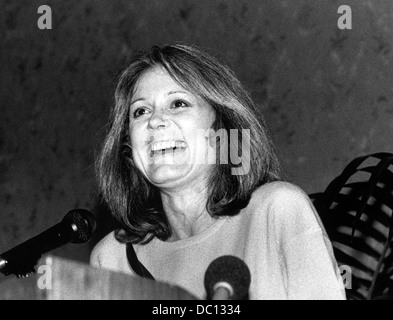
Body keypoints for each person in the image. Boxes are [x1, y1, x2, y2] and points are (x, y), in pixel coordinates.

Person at [90, 44, 346, 300]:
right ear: (128, 146)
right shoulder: (112, 259)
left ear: (222, 128)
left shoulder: (278, 210)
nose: (155, 120)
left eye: (178, 103)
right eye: (140, 111)